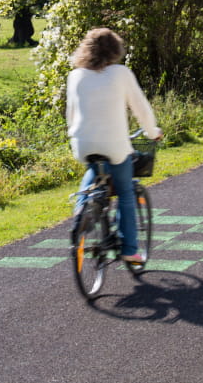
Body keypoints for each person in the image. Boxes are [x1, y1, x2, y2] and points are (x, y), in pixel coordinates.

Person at [65, 27, 163, 263]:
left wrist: (76, 136)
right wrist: (152, 132)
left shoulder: (75, 75)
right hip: (115, 146)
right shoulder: (121, 73)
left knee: (93, 171)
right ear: (115, 50)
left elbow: (71, 113)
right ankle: (129, 249)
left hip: (82, 144)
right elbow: (140, 108)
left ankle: (82, 210)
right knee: (126, 191)